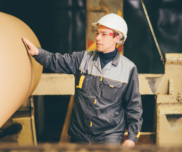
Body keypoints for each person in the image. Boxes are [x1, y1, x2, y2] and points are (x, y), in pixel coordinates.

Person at [22, 13, 143, 147]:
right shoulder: (82, 59)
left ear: (117, 37)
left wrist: (131, 138)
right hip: (80, 135)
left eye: (103, 34)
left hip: (109, 137)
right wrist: (38, 53)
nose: (97, 38)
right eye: (97, 33)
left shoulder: (128, 68)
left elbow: (134, 107)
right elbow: (56, 61)